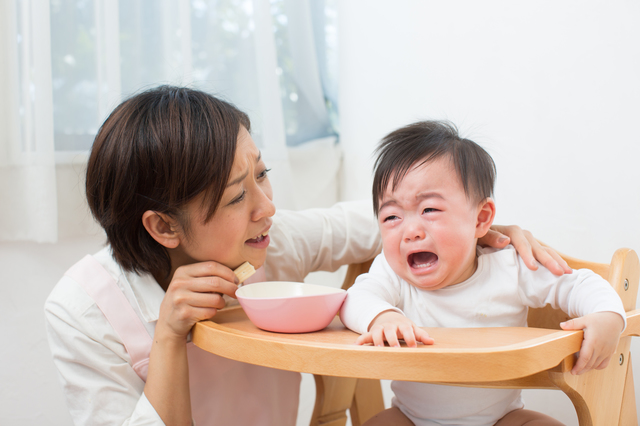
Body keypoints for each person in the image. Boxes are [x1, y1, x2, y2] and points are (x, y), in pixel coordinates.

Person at [44, 87, 571, 426]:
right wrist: (168, 338)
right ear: (162, 227)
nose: (267, 207)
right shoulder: (84, 308)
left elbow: (392, 220)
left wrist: (472, 227)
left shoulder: (276, 240)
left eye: (263, 174)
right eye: (236, 196)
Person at [339, 120, 626, 426]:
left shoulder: (510, 267)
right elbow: (355, 298)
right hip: (410, 418)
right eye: (392, 216)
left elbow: (577, 284)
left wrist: (607, 315)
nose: (410, 231)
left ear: (481, 219)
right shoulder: (392, 273)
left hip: (502, 418)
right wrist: (382, 317)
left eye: (430, 210)